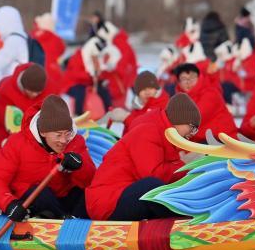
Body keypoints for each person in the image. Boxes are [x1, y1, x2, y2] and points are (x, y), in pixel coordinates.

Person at [86, 93, 200, 221]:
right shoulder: (149, 131)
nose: (193, 132)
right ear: (179, 119)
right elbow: (153, 174)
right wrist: (186, 167)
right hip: (109, 202)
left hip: (122, 194)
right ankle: (188, 217)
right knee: (151, 186)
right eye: (192, 127)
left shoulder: (165, 134)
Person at [0, 95, 96, 221]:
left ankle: (77, 223)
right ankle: (65, 220)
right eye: (58, 135)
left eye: (67, 133)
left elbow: (91, 180)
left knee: (88, 194)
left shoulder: (75, 141)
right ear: (43, 132)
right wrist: (9, 204)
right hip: (29, 202)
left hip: (63, 199)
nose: (64, 140)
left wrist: (80, 166)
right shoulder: (17, 143)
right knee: (41, 193)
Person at [0, 63, 49, 148]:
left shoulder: (47, 87)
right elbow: (10, 124)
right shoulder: (6, 90)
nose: (34, 95)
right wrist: (4, 142)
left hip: (33, 131)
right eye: (31, 91)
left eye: (38, 92)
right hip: (2, 126)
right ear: (24, 86)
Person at [174, 63, 237, 143]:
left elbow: (196, 116)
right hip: (203, 143)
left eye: (192, 77)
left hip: (223, 140)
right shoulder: (179, 101)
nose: (188, 82)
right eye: (184, 79)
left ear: (199, 77)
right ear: (179, 83)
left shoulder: (211, 93)